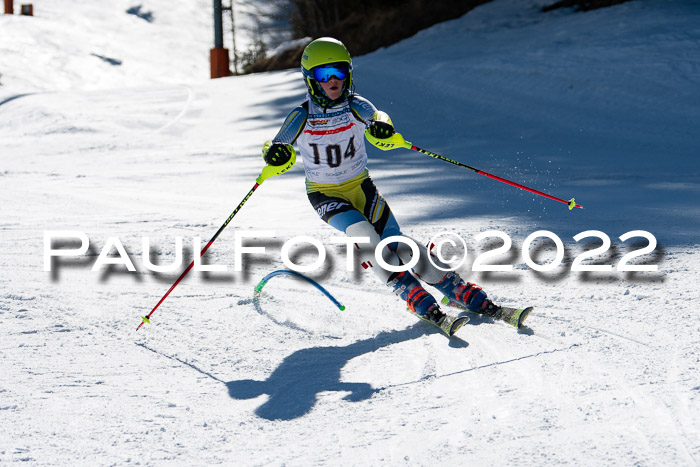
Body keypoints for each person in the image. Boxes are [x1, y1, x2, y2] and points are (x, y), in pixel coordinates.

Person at [261, 37, 527, 332]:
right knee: (365, 235)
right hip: (325, 194)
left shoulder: (354, 104)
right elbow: (277, 143)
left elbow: (375, 115)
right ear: (311, 80)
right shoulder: (302, 115)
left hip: (362, 187)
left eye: (340, 71)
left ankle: (455, 288)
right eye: (325, 75)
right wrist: (274, 153)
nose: (334, 79)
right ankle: (410, 291)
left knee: (399, 244)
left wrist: (381, 124)